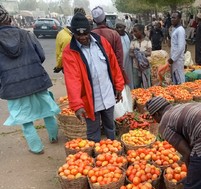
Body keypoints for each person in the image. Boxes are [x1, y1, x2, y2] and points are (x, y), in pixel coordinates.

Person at [0, 5, 60, 154]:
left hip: (13, 86)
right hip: (36, 80)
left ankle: (36, 148)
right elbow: (41, 56)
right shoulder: (26, 34)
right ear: (10, 19)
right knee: (47, 110)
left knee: (24, 119)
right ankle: (53, 137)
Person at [62, 13, 124, 142]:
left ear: (90, 30)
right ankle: (95, 158)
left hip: (107, 94)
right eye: (79, 35)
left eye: (85, 34)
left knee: (110, 127)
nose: (83, 37)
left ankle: (113, 151)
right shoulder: (70, 52)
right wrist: (77, 105)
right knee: (93, 131)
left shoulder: (102, 43)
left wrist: (118, 85)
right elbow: (72, 80)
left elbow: (114, 66)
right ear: (73, 33)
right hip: (89, 99)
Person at [91, 6, 124, 72]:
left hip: (96, 71)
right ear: (105, 18)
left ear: (94, 21)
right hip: (113, 70)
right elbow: (119, 56)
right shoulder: (114, 34)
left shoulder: (90, 35)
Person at [129, 23, 152, 88]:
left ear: (141, 31)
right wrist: (137, 54)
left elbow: (149, 53)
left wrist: (139, 53)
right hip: (135, 66)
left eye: (135, 31)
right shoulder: (133, 41)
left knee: (147, 85)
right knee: (136, 85)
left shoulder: (147, 41)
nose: (134, 33)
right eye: (133, 31)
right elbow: (130, 53)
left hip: (145, 66)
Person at [168, 11, 186, 84]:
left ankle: (182, 92)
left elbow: (181, 47)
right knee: (175, 76)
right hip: (175, 58)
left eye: (174, 18)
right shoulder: (175, 29)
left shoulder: (180, 30)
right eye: (171, 18)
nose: (172, 19)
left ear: (179, 19)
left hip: (177, 59)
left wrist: (173, 58)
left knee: (179, 77)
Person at [116, 21, 134, 89]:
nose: (118, 29)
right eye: (117, 27)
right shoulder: (115, 37)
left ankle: (131, 89)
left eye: (120, 27)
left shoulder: (129, 35)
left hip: (129, 60)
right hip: (121, 61)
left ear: (124, 27)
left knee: (130, 75)